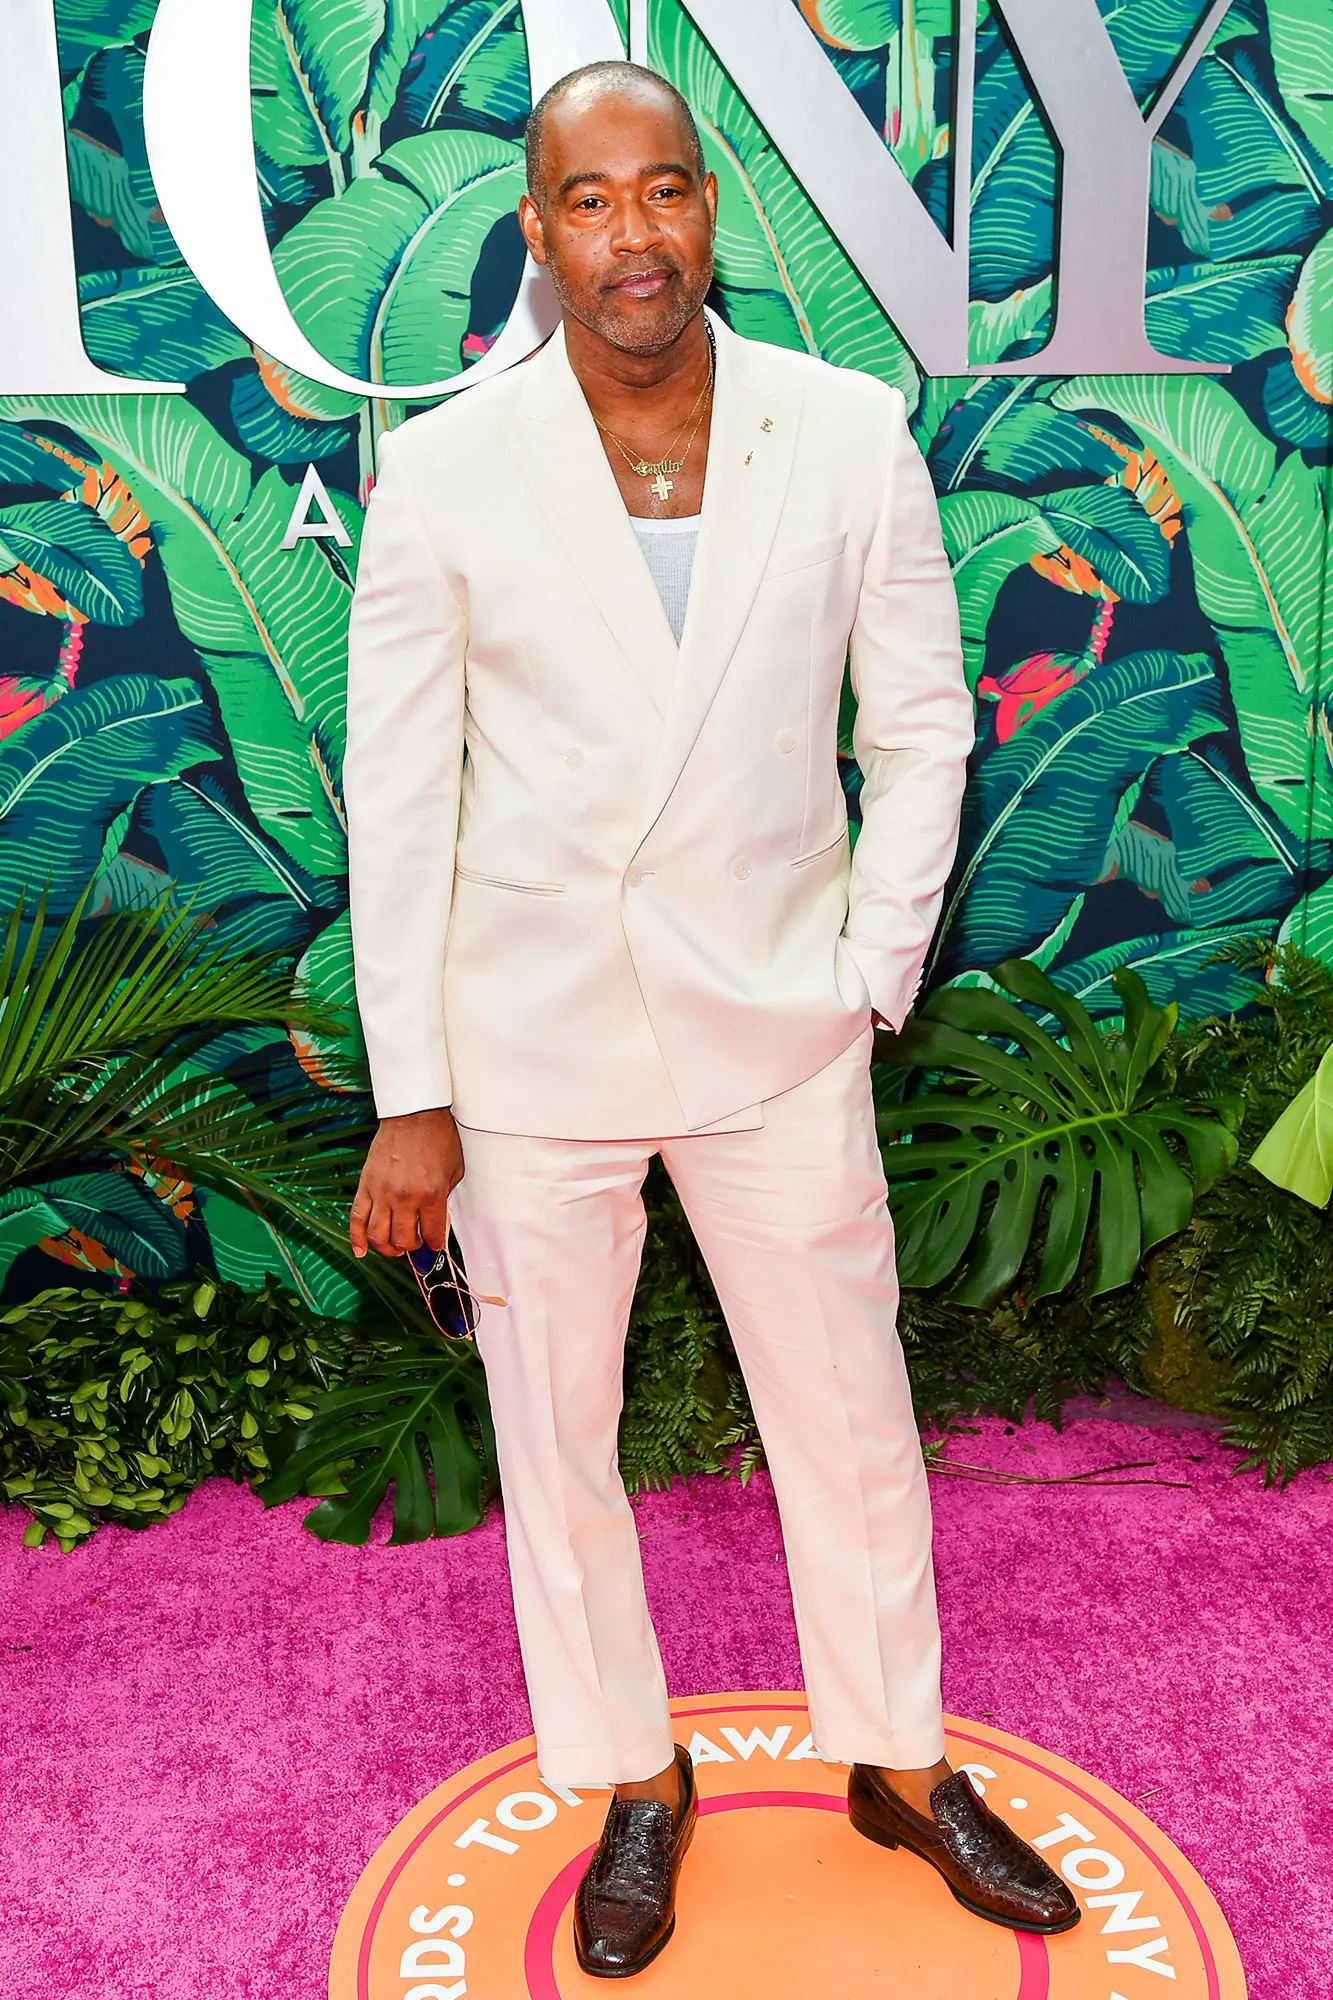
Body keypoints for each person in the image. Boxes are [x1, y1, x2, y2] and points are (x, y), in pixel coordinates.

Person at [344, 59, 1079, 1979]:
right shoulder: (445, 471)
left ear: (709, 208)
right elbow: (398, 801)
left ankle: (900, 1761)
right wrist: (416, 1093)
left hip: (779, 1025)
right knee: (558, 1442)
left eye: (661, 189)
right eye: (589, 201)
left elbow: (922, 725)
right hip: (532, 1045)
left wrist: (869, 970)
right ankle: (632, 1779)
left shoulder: (843, 432)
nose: (632, 234)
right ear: (537, 232)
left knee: (852, 1415)